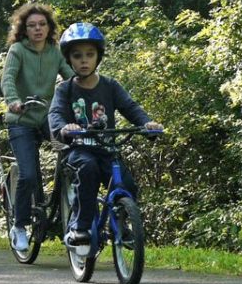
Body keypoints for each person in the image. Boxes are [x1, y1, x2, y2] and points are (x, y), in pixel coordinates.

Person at [48, 22, 162, 251]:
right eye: (77, 56)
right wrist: (64, 128)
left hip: (106, 149)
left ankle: (119, 222)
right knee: (87, 169)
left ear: (98, 57)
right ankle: (81, 226)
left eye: (90, 55)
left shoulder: (110, 86)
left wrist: (146, 123)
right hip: (78, 150)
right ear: (69, 59)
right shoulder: (65, 89)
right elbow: (56, 113)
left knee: (125, 182)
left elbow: (130, 107)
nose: (84, 60)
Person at [0, 3, 74, 252]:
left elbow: (71, 77)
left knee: (72, 157)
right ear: (24, 29)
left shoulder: (55, 51)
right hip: (21, 120)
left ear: (49, 27)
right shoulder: (18, 50)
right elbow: (8, 78)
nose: (38, 29)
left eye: (42, 24)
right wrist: (13, 101)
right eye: (32, 25)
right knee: (29, 174)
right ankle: (19, 226)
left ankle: (70, 215)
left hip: (48, 118)